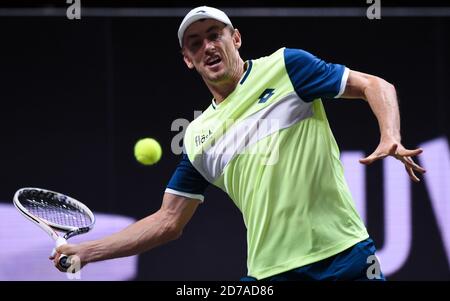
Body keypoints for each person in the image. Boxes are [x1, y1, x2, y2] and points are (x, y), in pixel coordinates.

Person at [52, 6, 426, 281]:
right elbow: (168, 221)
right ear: (188, 60)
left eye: (215, 34)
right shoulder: (197, 137)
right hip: (268, 275)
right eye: (195, 44)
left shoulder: (286, 67)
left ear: (236, 38)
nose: (208, 47)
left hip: (345, 256)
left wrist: (390, 134)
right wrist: (87, 252)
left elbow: (374, 86)